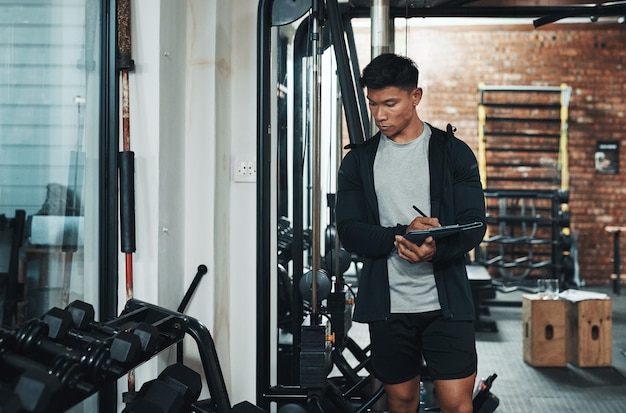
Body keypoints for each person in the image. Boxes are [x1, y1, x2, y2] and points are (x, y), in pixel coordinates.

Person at [335, 53, 486, 413]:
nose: (380, 115)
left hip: (446, 304)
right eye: (373, 104)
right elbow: (350, 231)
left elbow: (474, 223)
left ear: (415, 97)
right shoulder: (358, 161)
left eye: (390, 103)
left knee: (455, 402)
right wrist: (402, 234)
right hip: (389, 306)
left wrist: (435, 249)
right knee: (401, 400)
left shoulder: (453, 153)